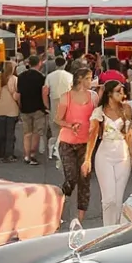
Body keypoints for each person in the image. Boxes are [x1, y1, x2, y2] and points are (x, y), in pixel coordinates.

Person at [83, 80, 132, 227]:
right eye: (118, 91)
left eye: (123, 90)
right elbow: (92, 136)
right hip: (104, 155)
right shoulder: (99, 111)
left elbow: (129, 135)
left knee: (118, 199)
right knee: (108, 198)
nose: (122, 94)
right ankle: (107, 229)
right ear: (109, 93)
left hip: (122, 154)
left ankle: (117, 229)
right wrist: (87, 159)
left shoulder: (127, 109)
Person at [56, 67, 96, 224]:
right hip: (67, 142)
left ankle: (80, 218)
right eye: (88, 78)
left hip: (86, 143)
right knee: (71, 177)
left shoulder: (93, 97)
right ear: (80, 79)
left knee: (85, 179)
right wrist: (69, 125)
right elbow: (57, 119)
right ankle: (60, 200)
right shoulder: (66, 97)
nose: (90, 81)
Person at [43, 56, 73, 166]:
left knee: (55, 127)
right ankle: (63, 148)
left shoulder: (49, 76)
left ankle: (55, 149)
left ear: (56, 64)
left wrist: (47, 106)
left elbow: (45, 92)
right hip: (67, 102)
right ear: (65, 64)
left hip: (54, 102)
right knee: (65, 127)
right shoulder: (70, 76)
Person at [17, 54, 47, 165]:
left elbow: (18, 94)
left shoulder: (21, 77)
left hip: (25, 107)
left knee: (27, 133)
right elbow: (44, 93)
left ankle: (26, 155)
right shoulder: (41, 77)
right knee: (36, 132)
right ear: (39, 63)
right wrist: (46, 106)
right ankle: (33, 154)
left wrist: (20, 106)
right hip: (38, 107)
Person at [0, 63, 20, 162]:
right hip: (12, 109)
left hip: (0, 109)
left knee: (1, 133)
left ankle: (1, 153)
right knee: (10, 134)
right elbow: (17, 95)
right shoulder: (15, 79)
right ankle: (9, 155)